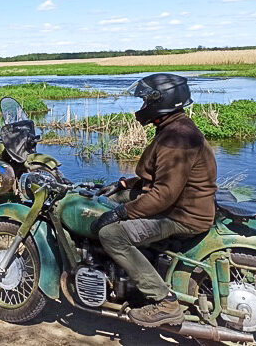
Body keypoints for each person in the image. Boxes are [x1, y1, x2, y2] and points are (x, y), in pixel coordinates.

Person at [90, 73, 217, 328]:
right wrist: (125, 185)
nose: (144, 106)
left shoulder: (176, 138)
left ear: (163, 101)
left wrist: (121, 213)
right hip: (183, 205)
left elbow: (163, 194)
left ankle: (164, 302)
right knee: (110, 198)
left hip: (182, 215)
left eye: (147, 100)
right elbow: (164, 178)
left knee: (112, 235)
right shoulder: (175, 127)